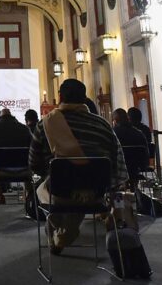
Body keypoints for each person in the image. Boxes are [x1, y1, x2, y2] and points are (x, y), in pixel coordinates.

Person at [30, 78, 128, 254]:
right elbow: (115, 162)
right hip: (97, 192)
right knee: (79, 184)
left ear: (60, 96)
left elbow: (33, 163)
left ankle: (60, 232)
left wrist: (50, 171)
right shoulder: (103, 125)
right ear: (84, 98)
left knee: (45, 189)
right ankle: (63, 234)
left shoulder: (45, 124)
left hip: (60, 191)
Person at [0, 108, 32, 205]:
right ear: (12, 116)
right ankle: (28, 197)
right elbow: (32, 148)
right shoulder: (25, 128)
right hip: (24, 171)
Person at [111, 108, 149, 181]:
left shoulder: (113, 133)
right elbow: (146, 153)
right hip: (139, 164)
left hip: (120, 166)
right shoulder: (139, 133)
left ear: (115, 121)